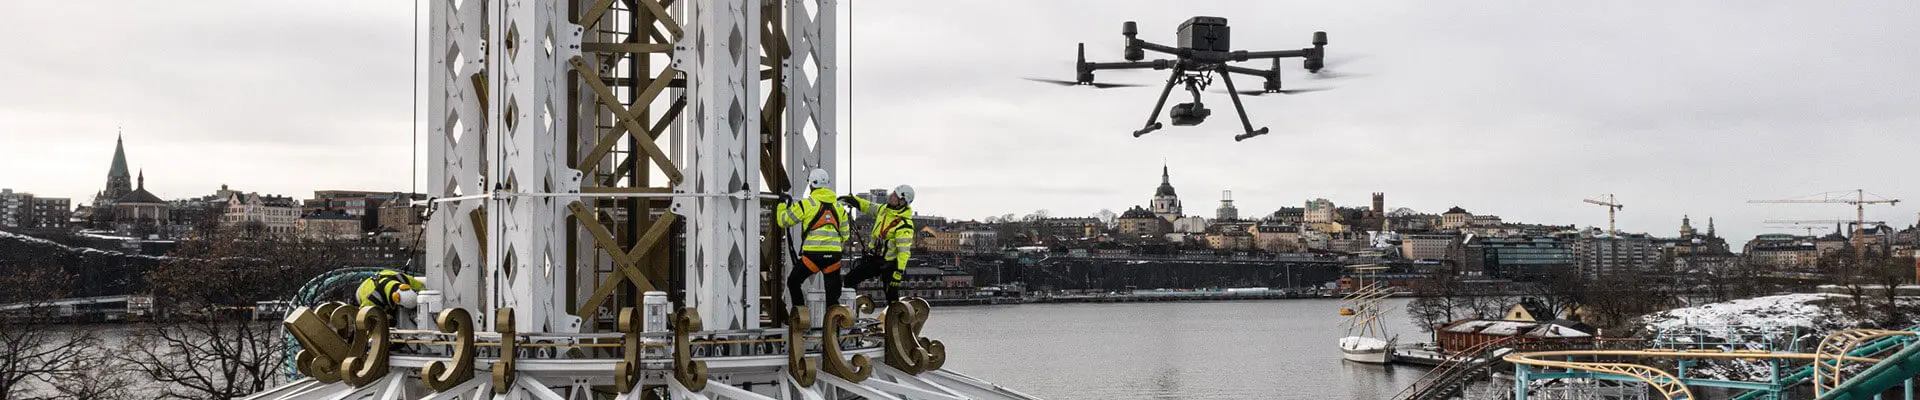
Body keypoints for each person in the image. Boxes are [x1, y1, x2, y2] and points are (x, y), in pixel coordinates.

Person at [776, 168, 850, 311]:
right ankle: (833, 327)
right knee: (832, 295)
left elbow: (783, 221)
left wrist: (781, 204)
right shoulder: (839, 207)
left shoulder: (806, 204)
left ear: (811, 185)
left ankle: (801, 316)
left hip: (813, 257)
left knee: (794, 282)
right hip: (833, 257)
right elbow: (845, 235)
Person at [839, 185, 914, 304]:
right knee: (850, 279)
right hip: (876, 259)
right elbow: (868, 207)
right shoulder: (884, 210)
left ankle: (895, 318)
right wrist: (853, 201)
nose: (891, 196)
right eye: (893, 193)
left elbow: (904, 252)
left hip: (890, 264)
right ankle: (850, 312)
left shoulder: (904, 224)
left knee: (891, 296)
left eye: (895, 195)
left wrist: (898, 273)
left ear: (902, 201)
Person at [356, 269, 426, 314]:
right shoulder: (372, 299)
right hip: (362, 291)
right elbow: (364, 318)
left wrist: (425, 297)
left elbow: (421, 287)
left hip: (380, 280)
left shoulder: (402, 278)